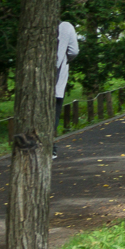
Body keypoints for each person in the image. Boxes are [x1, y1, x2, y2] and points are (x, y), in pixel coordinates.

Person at [53, 19, 80, 155]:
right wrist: (64, 59)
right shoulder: (66, 27)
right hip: (57, 80)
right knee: (54, 114)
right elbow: (74, 51)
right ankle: (51, 148)